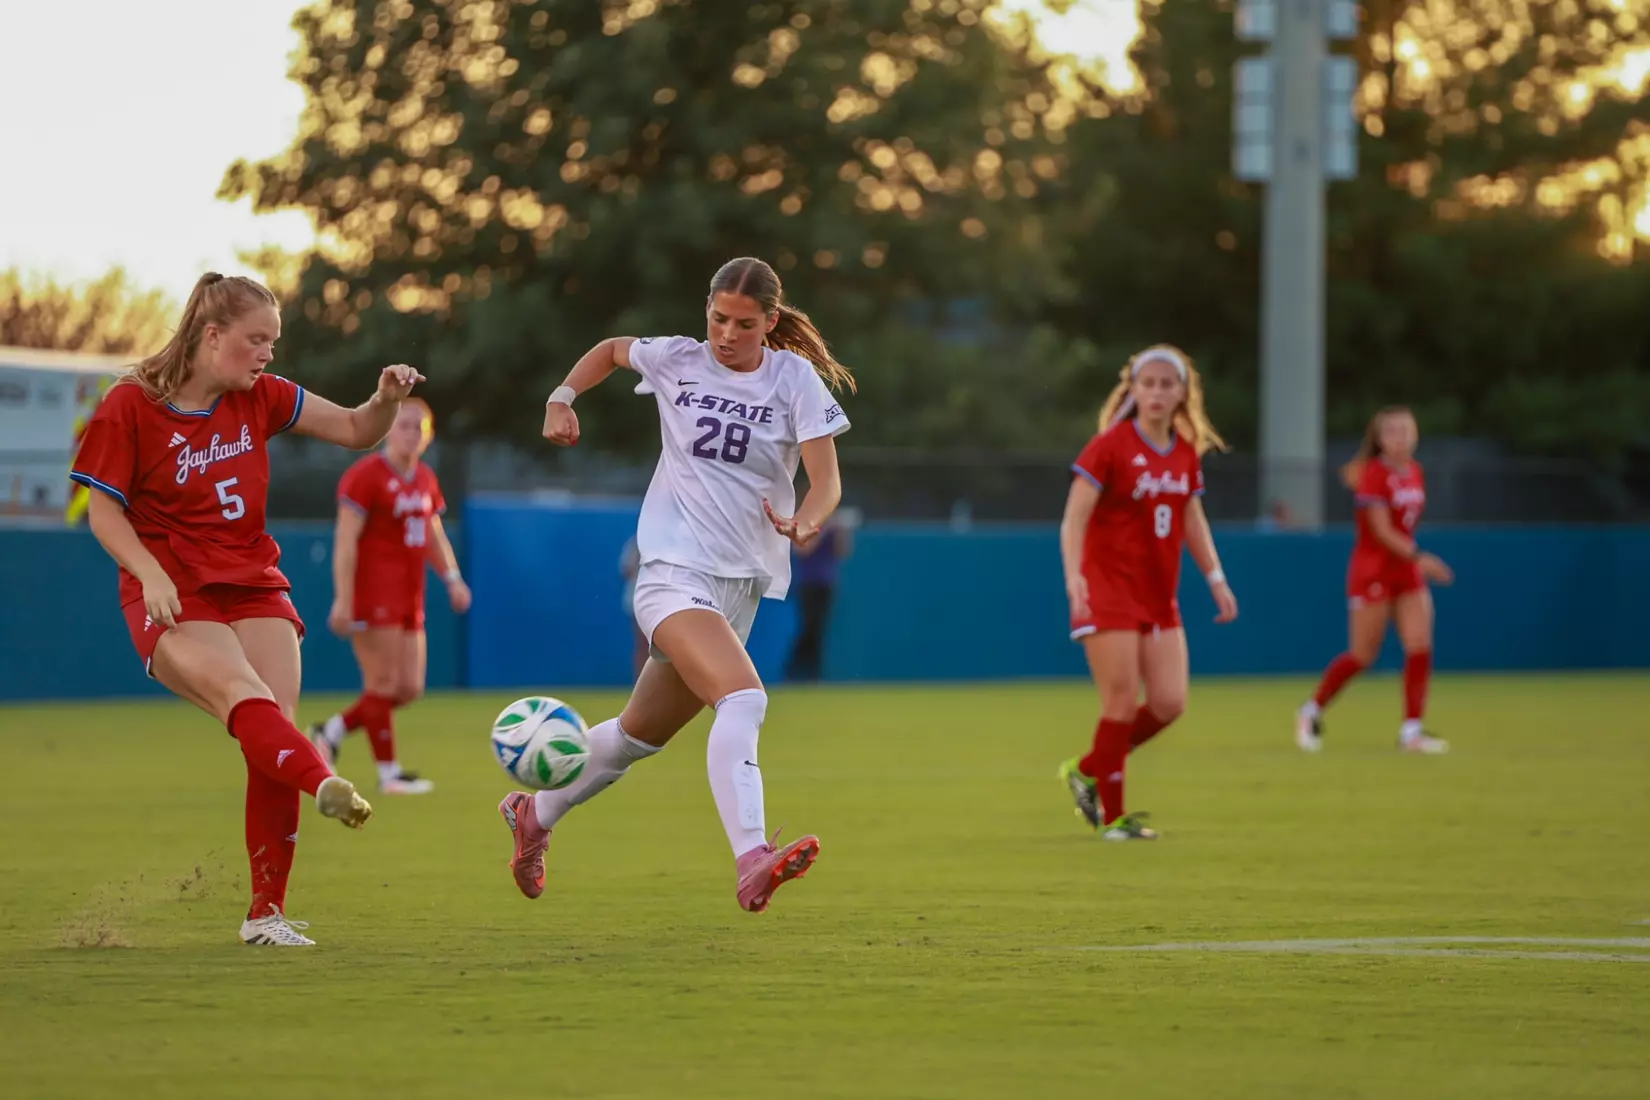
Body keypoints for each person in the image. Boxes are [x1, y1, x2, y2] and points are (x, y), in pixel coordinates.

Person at [70, 272, 424, 946]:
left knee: (274, 726)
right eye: (256, 339)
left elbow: (357, 429)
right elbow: (104, 513)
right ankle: (324, 782)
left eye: (273, 341)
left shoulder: (261, 395)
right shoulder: (130, 405)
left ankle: (266, 915)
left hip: (252, 578)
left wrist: (384, 400)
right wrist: (149, 573)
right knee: (245, 696)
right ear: (212, 336)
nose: (268, 353)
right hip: (174, 588)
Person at [497, 256, 852, 912]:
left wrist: (808, 519)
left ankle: (533, 814)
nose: (726, 334)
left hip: (739, 586)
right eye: (718, 318)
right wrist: (561, 397)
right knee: (743, 699)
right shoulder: (678, 358)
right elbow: (611, 349)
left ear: (770, 321)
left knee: (636, 736)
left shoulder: (792, 379)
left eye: (744, 324)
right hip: (671, 572)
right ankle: (752, 858)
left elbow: (826, 480)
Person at [1055, 345, 1239, 841]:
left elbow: (1192, 519)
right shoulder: (1109, 446)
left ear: (1182, 392)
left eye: (1166, 384)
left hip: (1159, 596)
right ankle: (1114, 819)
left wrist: (1216, 578)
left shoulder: (1184, 451)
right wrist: (1075, 578)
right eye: (1148, 383)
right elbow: (1074, 519)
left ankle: (1087, 768)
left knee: (1169, 702)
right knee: (1120, 701)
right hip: (1108, 589)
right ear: (1133, 389)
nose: (1156, 392)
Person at [309, 398, 471, 792]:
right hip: (373, 592)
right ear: (388, 431)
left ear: (429, 436)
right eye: (404, 425)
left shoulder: (425, 479)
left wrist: (452, 577)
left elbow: (433, 534)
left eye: (420, 427)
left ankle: (329, 733)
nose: (411, 433)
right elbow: (345, 541)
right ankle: (389, 775)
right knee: (381, 684)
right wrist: (343, 598)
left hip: (410, 595)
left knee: (409, 688)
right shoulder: (366, 476)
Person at [1296, 407, 1453, 754]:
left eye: (1406, 430)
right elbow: (1381, 530)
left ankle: (1411, 731)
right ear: (1380, 439)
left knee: (1419, 644)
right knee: (1362, 655)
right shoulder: (1374, 475)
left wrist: (1414, 561)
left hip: (1405, 570)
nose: (1400, 438)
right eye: (1392, 431)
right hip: (1374, 571)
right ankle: (1311, 710)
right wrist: (1420, 557)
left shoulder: (1415, 471)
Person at [784, 507, 856, 682]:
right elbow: (803, 549)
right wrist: (823, 529)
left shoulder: (834, 527)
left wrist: (843, 531)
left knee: (819, 629)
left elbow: (843, 552)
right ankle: (794, 669)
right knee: (809, 626)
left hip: (827, 583)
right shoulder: (808, 524)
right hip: (808, 583)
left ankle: (813, 674)